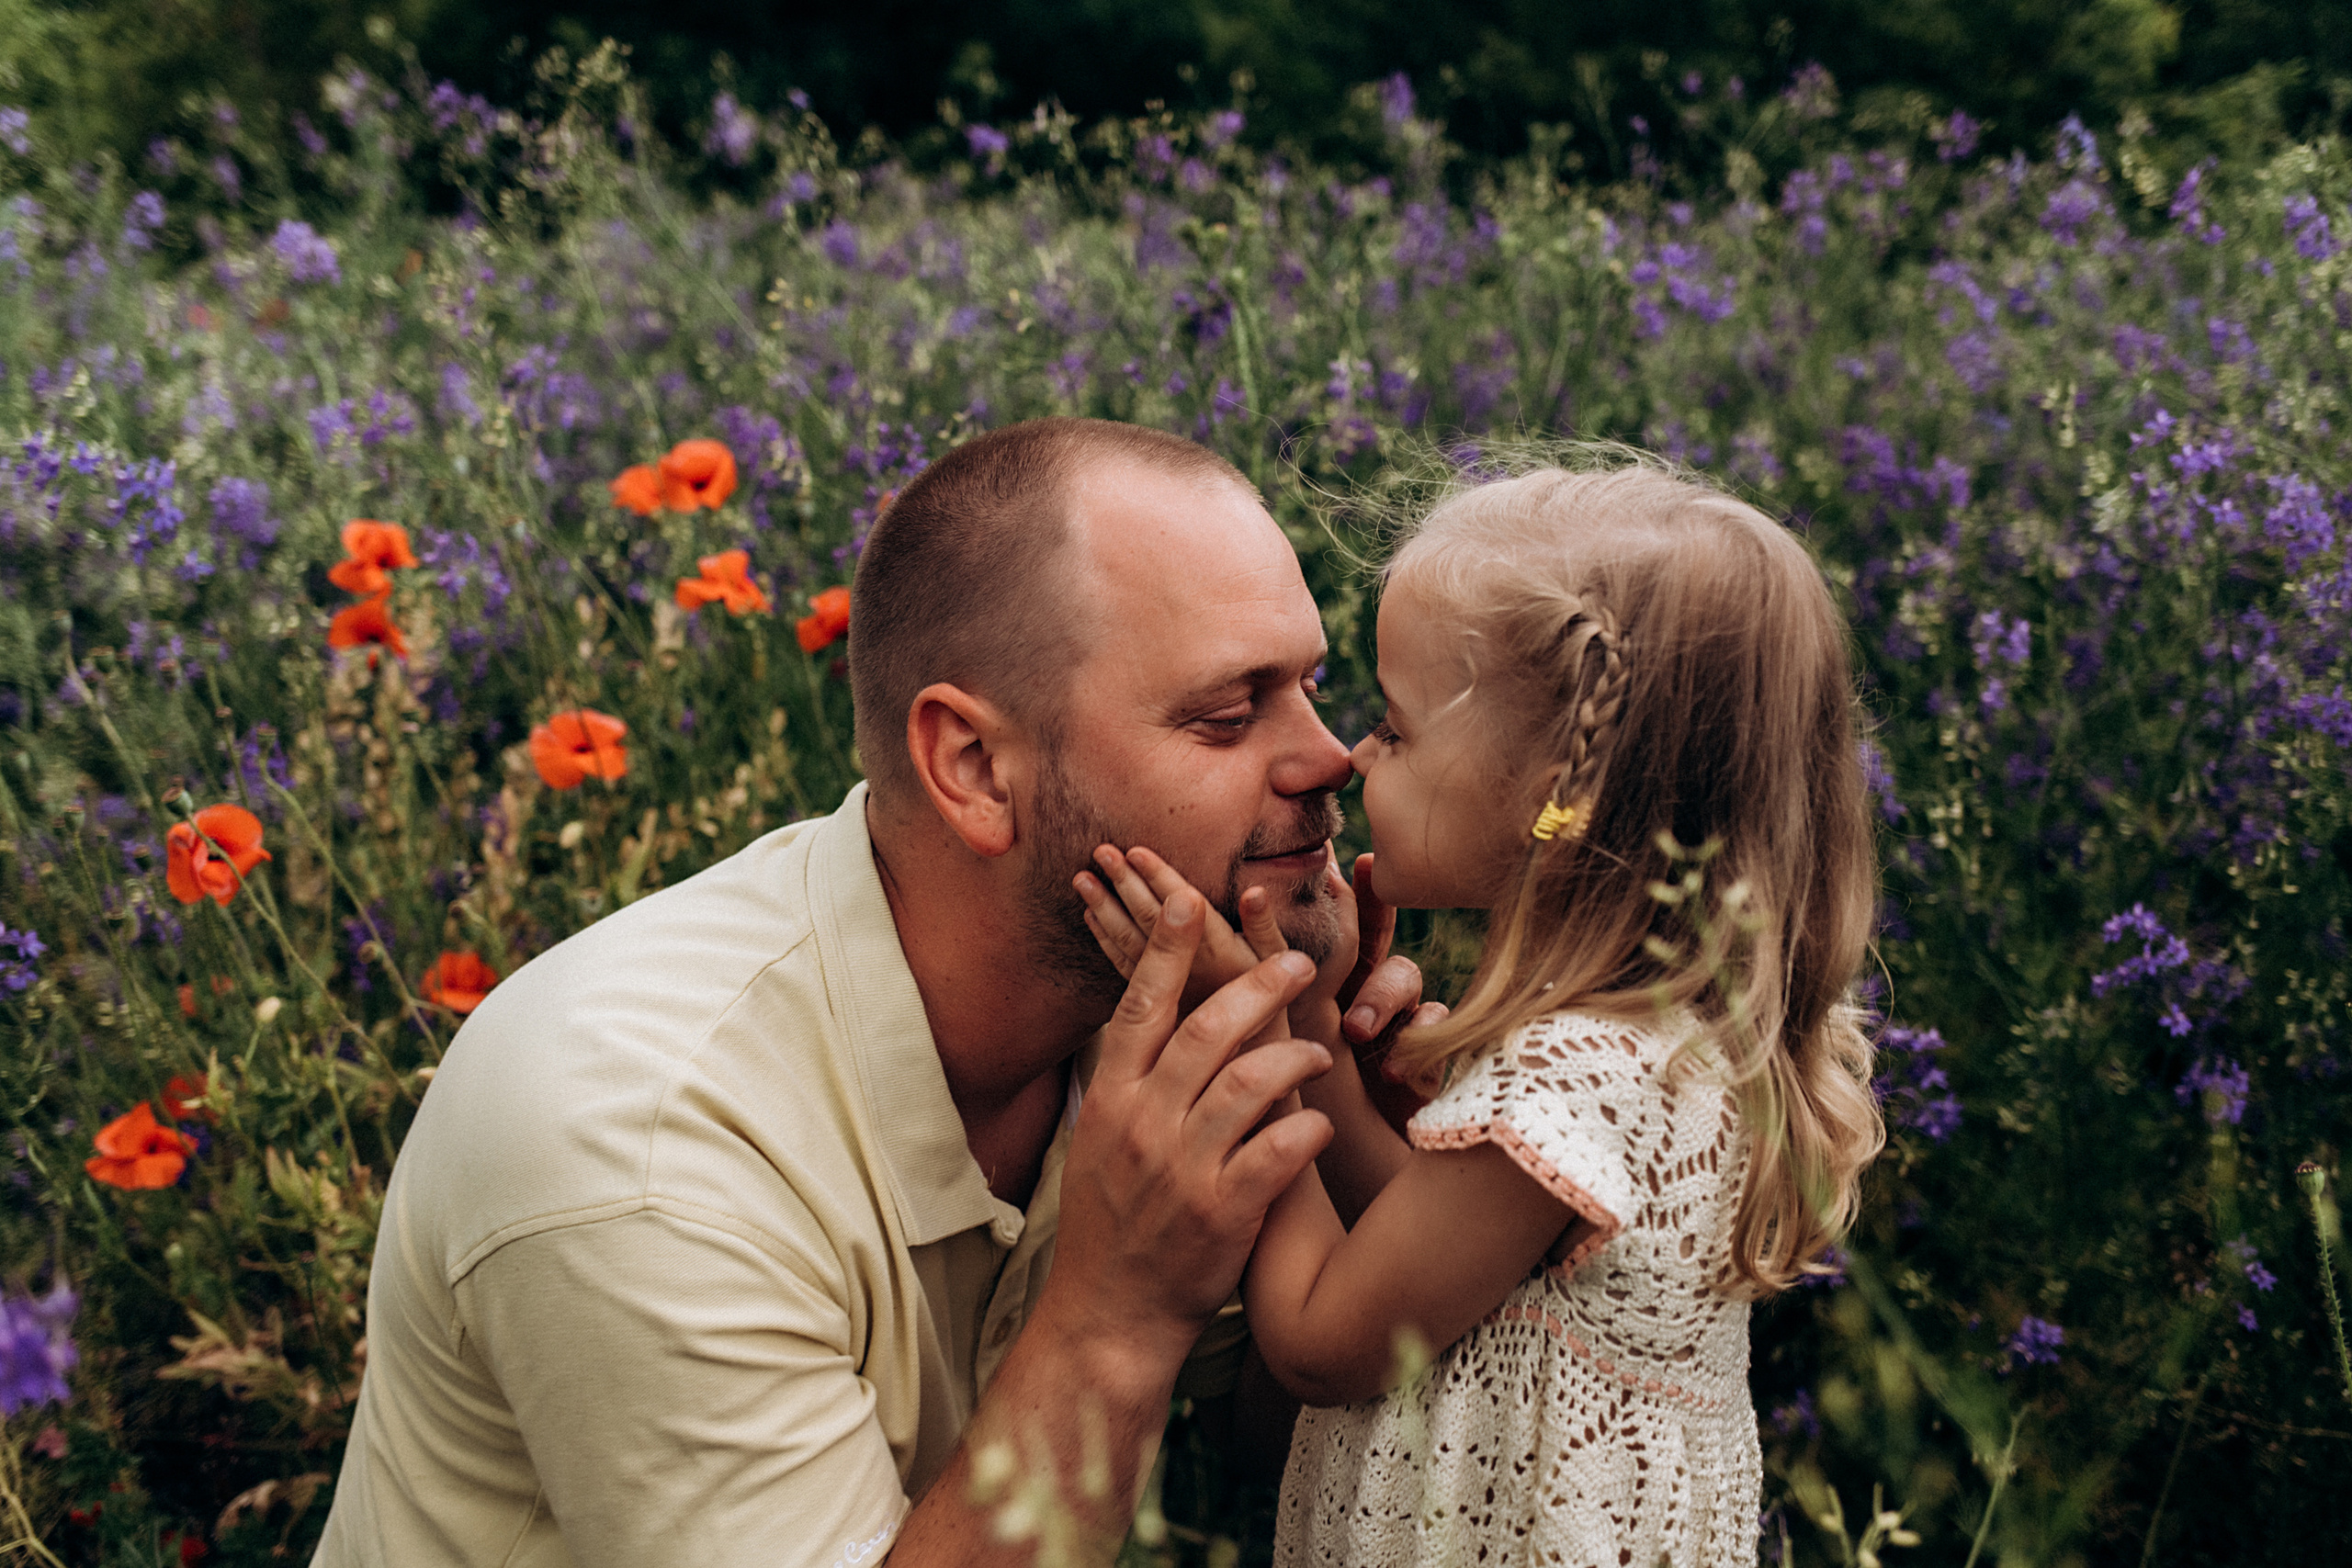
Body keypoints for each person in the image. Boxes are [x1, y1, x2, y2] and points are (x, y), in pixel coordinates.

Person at [310, 418, 1430, 1568]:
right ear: (975, 770)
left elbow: (1289, 1429)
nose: (1328, 757)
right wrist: (1114, 1314)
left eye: (1307, 685)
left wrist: (1362, 1159)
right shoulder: (638, 1145)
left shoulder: (1146, 996)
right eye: (1227, 714)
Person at [1076, 454, 1886, 1566]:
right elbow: (1434, 1243)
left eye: (1399, 731)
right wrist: (1312, 1029)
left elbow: (1323, 1338)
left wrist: (1248, 1029)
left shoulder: (1576, 1071)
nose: (1353, 757)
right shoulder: (1661, 1042)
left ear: (1558, 796)